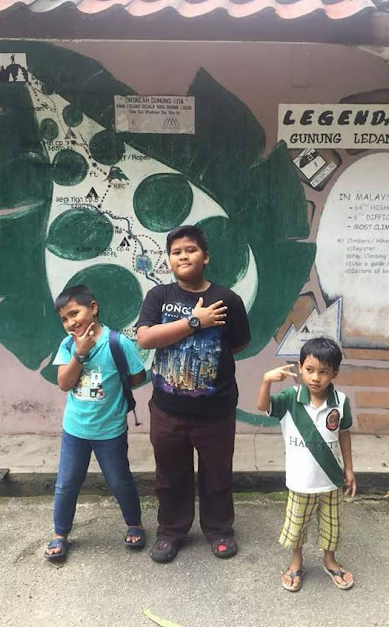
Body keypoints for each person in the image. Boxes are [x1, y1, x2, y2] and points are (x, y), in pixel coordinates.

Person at [136, 225, 250, 563]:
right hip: (167, 410)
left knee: (217, 475)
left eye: (191, 250)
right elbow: (145, 338)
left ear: (206, 256)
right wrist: (195, 322)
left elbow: (238, 343)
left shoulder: (228, 300)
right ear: (169, 260)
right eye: (176, 252)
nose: (183, 256)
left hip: (216, 411)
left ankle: (219, 530)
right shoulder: (159, 296)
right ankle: (171, 532)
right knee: (170, 477)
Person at [44, 285, 146, 562]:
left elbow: (137, 376)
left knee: (119, 480)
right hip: (75, 430)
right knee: (66, 483)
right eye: (64, 319)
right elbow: (64, 383)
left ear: (93, 308)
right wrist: (80, 353)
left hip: (110, 430)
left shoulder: (117, 343)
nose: (70, 322)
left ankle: (134, 523)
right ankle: (60, 533)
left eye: (74, 313)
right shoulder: (68, 345)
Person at [257, 336, 356, 592]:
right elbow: (263, 406)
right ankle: (296, 562)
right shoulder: (290, 398)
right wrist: (267, 381)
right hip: (301, 481)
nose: (315, 378)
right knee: (297, 526)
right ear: (300, 367)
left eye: (323, 372)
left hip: (332, 480)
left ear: (334, 373)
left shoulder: (341, 401)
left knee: (332, 526)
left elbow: (344, 434)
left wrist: (349, 469)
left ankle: (330, 560)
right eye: (309, 370)